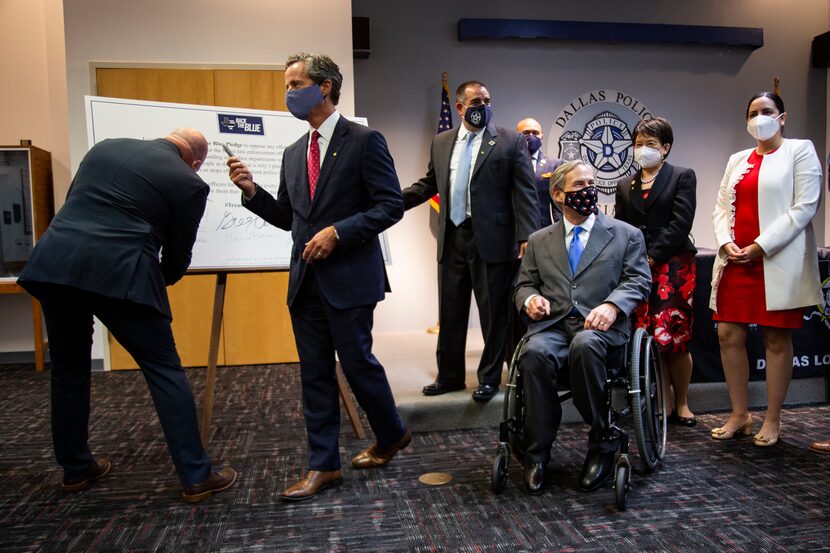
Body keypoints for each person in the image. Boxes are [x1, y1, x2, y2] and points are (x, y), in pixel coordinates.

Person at [227, 53, 410, 502]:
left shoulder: (366, 141)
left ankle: (391, 434)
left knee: (357, 365)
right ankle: (323, 465)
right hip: (305, 280)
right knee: (313, 375)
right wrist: (252, 192)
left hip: (350, 277)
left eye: (296, 83)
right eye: (286, 85)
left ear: (325, 87)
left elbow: (390, 205)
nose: (289, 92)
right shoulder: (294, 153)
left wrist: (339, 233)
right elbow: (289, 217)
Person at [17, 129, 237, 503]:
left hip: (56, 266)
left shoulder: (105, 148)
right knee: (164, 370)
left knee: (69, 368)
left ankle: (75, 469)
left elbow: (77, 207)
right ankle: (197, 477)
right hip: (122, 273)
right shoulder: (189, 183)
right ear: (196, 162)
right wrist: (154, 284)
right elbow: (177, 257)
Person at [514, 160, 650, 494]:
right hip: (554, 328)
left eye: (591, 184)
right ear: (558, 195)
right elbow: (524, 285)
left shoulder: (625, 235)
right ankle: (538, 453)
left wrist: (613, 305)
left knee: (585, 345)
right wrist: (530, 300)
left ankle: (602, 441)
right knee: (533, 353)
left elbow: (638, 280)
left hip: (602, 331)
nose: (588, 191)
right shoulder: (539, 240)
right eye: (579, 186)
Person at [402, 81, 538, 402]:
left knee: (493, 315)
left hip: (492, 240)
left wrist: (526, 238)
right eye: (477, 101)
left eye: (488, 100)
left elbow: (525, 194)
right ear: (461, 108)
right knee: (450, 311)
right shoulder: (441, 141)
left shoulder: (509, 141)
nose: (484, 106)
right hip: (452, 238)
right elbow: (428, 185)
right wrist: (390, 202)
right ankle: (449, 376)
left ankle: (489, 378)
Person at [710, 92, 823, 447]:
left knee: (776, 338)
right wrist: (725, 241)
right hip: (735, 260)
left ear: (782, 117)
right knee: (728, 335)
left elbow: (804, 207)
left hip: (776, 259)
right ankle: (739, 414)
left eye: (767, 111)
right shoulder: (737, 158)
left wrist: (761, 246)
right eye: (753, 113)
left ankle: (773, 418)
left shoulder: (800, 151)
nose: (760, 117)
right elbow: (720, 207)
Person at [614, 117, 698, 427]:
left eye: (650, 144)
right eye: (638, 144)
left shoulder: (682, 176)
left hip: (674, 264)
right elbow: (621, 226)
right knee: (649, 336)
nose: (643, 150)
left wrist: (653, 255)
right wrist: (636, 258)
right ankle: (661, 403)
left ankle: (683, 403)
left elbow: (681, 223)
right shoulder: (625, 184)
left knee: (675, 337)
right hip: (638, 267)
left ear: (665, 147)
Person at [516, 117, 563, 227]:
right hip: (513, 232)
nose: (531, 136)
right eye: (526, 133)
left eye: (535, 133)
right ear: (516, 136)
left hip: (542, 229)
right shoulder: (507, 163)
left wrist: (560, 231)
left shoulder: (554, 165)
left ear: (542, 137)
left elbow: (558, 205)